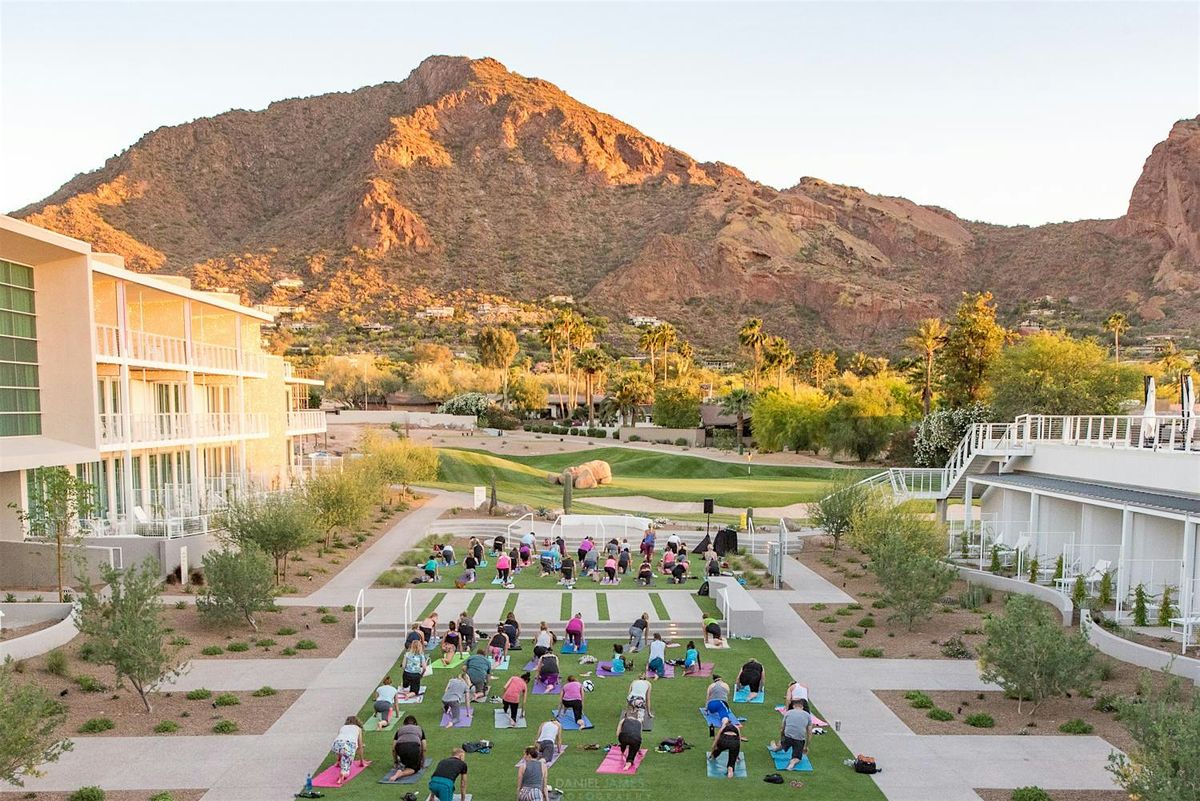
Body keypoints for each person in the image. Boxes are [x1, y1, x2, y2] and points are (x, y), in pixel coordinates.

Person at [329, 715, 369, 785]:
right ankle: (343, 773)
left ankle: (339, 762)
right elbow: (360, 746)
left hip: (336, 744)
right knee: (346, 767)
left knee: (342, 750)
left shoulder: (342, 727)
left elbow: (340, 739)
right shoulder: (358, 729)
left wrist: (338, 761)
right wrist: (362, 762)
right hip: (348, 746)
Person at [387, 714, 426, 781]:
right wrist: (422, 761)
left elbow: (393, 748)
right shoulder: (419, 729)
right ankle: (400, 774)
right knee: (413, 769)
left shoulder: (400, 729)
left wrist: (396, 762)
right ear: (415, 723)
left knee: (406, 758)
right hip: (413, 748)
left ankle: (404, 763)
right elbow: (424, 748)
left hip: (400, 748)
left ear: (404, 723)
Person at [777, 703, 813, 772]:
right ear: (802, 707)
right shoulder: (807, 715)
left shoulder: (788, 713)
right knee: (797, 758)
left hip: (787, 737)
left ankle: (776, 748)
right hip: (799, 739)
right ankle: (791, 765)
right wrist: (806, 746)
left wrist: (781, 739)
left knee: (783, 745)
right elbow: (809, 733)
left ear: (793, 706)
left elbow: (782, 729)